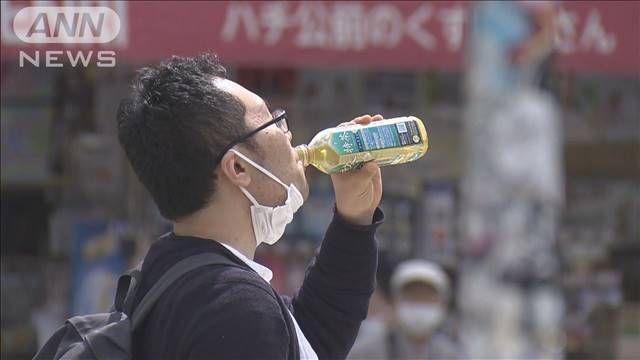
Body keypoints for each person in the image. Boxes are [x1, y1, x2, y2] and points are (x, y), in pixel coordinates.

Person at [116, 54, 385, 359]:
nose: (289, 135)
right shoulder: (236, 307)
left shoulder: (167, 273)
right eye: (273, 121)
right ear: (238, 168)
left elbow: (310, 337)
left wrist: (354, 219)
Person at [348, 260, 461, 359]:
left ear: (443, 306)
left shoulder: (452, 356)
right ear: (394, 303)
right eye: (413, 297)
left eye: (427, 298)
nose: (419, 305)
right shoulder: (364, 354)